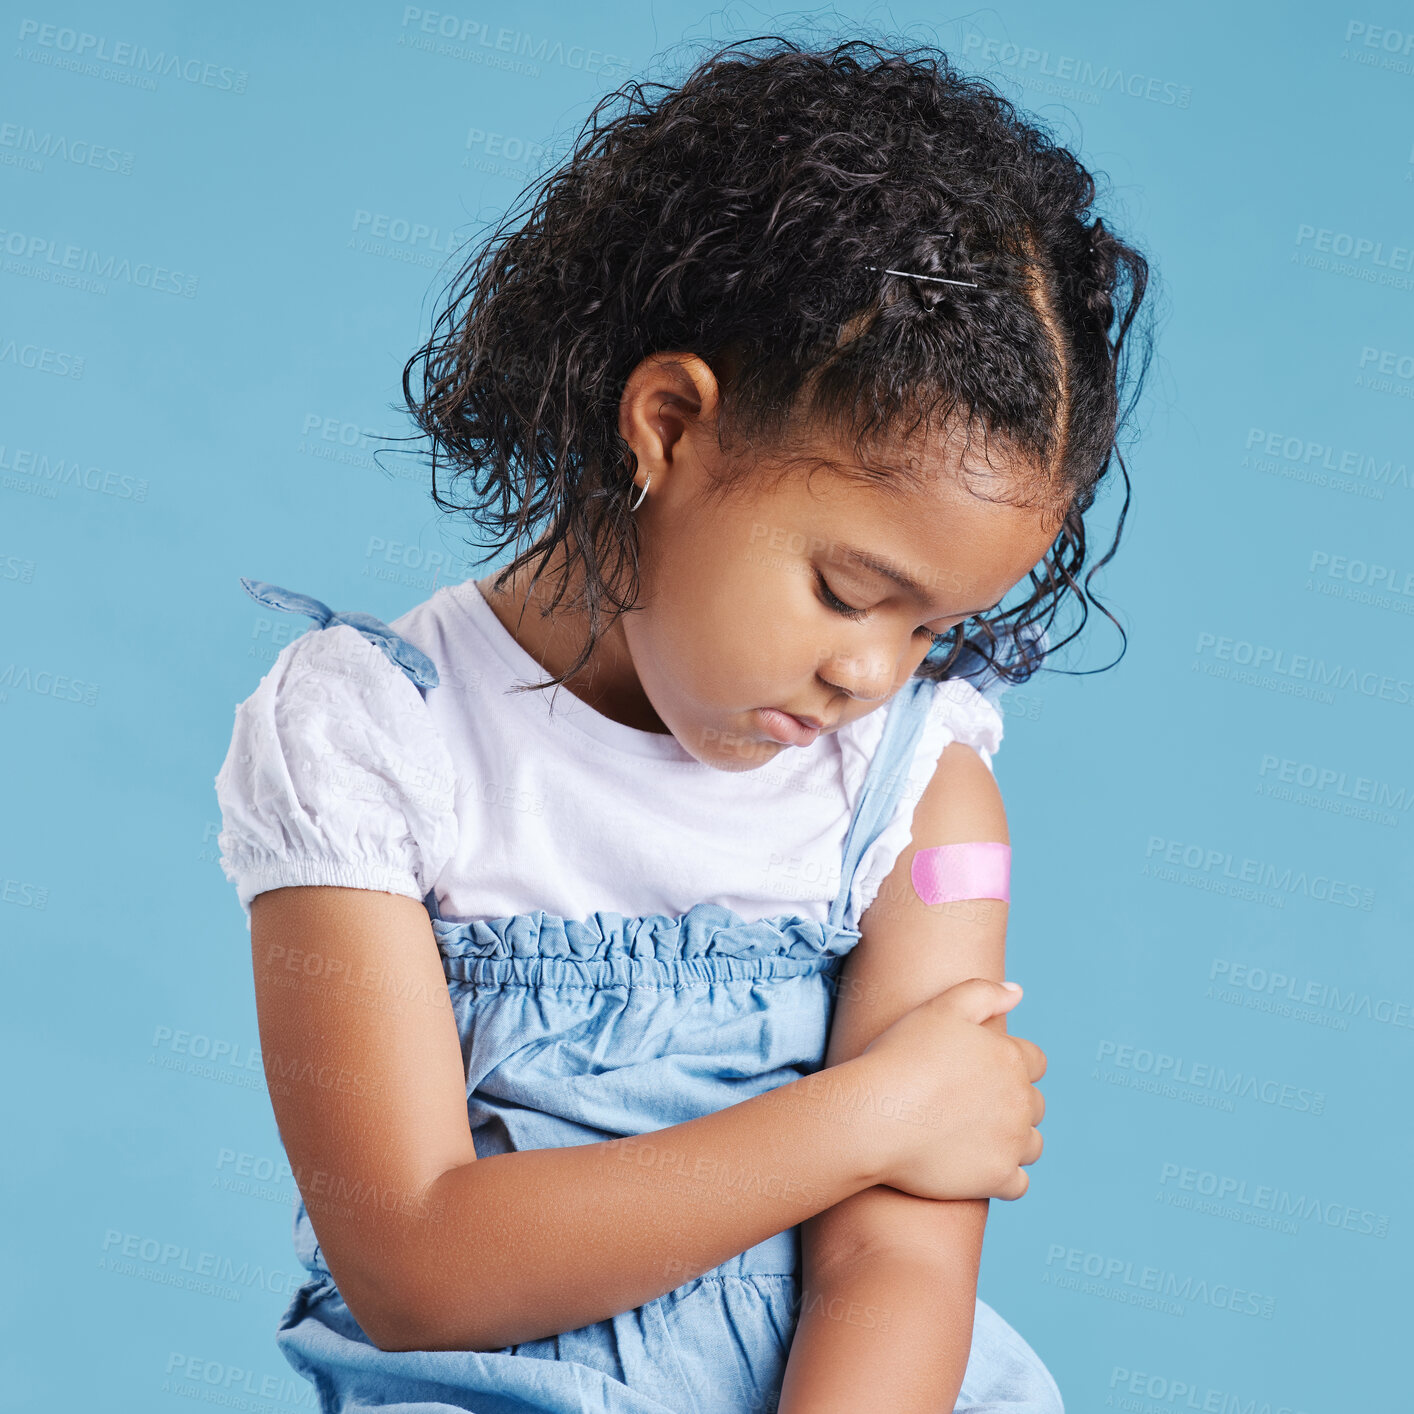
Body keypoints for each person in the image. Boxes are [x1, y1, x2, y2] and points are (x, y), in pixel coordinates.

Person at [214, 35, 1151, 1414]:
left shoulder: (915, 799)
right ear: (667, 425)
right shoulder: (369, 745)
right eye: (845, 591)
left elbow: (896, 1259)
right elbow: (416, 1261)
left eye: (929, 628)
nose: (872, 674)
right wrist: (878, 1108)